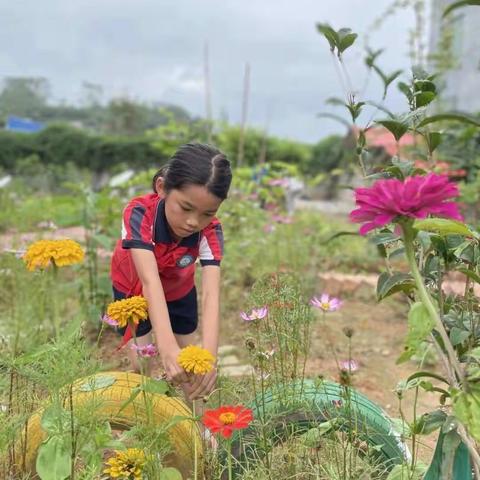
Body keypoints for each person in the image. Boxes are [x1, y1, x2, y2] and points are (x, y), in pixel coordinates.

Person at [109, 143, 232, 402]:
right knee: (141, 362)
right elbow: (149, 280)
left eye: (207, 213)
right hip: (134, 291)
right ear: (162, 187)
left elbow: (211, 295)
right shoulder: (140, 213)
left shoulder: (210, 232)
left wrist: (209, 358)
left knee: (192, 366)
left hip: (178, 291)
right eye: (186, 208)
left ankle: (198, 427)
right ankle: (145, 419)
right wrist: (166, 348)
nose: (193, 222)